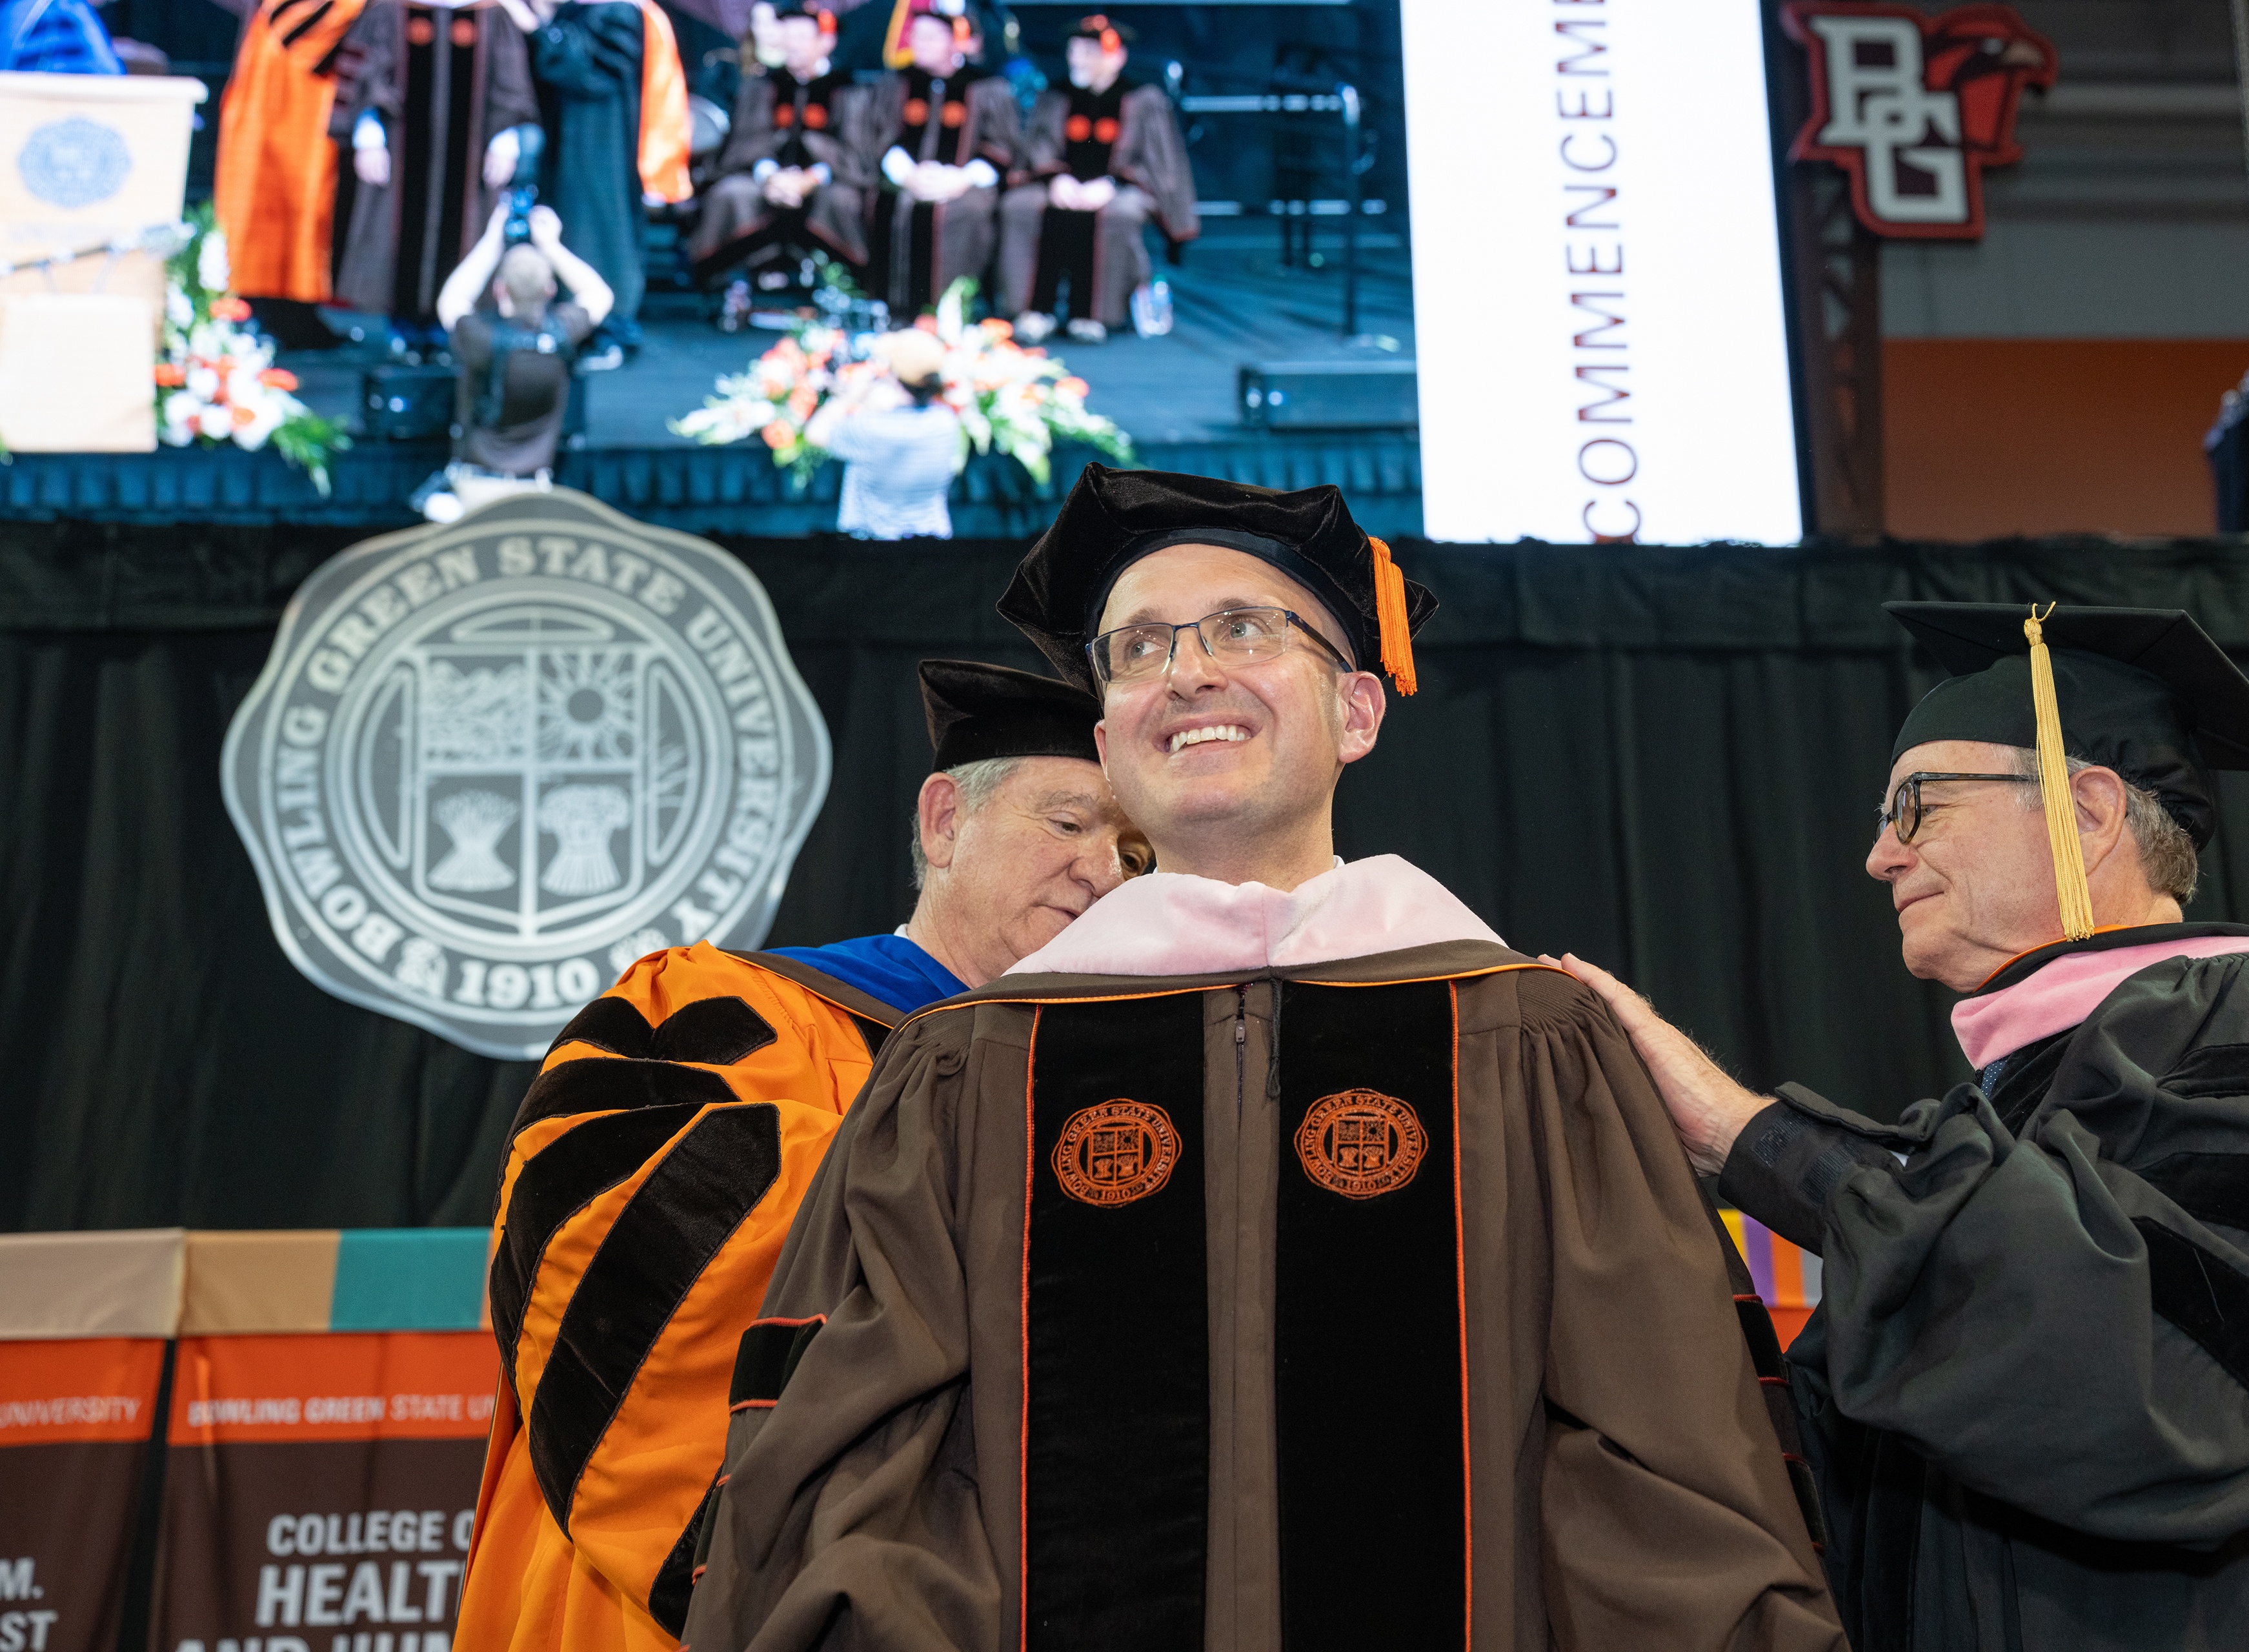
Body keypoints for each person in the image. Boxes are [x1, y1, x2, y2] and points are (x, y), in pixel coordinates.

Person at [683, 465, 1846, 1652]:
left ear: (1357, 712)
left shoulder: (1524, 1043)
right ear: (1107, 738)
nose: (1185, 671)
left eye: (1242, 629)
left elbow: (1664, 1472)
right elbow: (861, 1490)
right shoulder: (967, 1073)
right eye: (1136, 649)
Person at [1562, 601, 2249, 1651]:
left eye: (1916, 806)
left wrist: (1757, 1140)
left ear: (2085, 809)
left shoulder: (2246, 1016)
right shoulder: (2006, 1117)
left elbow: (2170, 1375)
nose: (1879, 857)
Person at [455, 659, 1149, 1652]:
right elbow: (612, 1249)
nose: (1104, 871)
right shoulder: (725, 1007)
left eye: (1136, 851)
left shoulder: (1102, 1099)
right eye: (1070, 823)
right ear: (946, 821)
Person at [331, 0, 536, 331]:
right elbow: (366, 75)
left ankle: (453, 329)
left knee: (467, 233)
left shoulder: (490, 12)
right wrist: (368, 137)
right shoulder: (389, 9)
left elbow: (510, 81)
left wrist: (505, 141)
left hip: (472, 162)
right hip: (399, 158)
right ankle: (402, 330)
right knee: (395, 237)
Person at [506, 0, 689, 365]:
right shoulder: (579, 10)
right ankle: (571, 327)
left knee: (600, 236)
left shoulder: (619, 12)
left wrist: (534, 24)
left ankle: (610, 331)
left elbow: (588, 72)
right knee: (565, 232)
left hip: (600, 147)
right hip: (566, 144)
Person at [1000, 14, 1196, 344]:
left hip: (1120, 189)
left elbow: (1159, 161)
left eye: (1089, 53)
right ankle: (1033, 311)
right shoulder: (1057, 95)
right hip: (1061, 185)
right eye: (1074, 51)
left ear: (1116, 57)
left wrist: (1112, 185)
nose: (1077, 60)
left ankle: (1093, 315)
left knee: (1119, 214)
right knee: (1019, 205)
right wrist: (1057, 179)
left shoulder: (1142, 99)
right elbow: (1038, 146)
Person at [423, 199, 610, 519]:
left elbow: (453, 299)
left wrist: (492, 239)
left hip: (473, 492)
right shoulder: (563, 335)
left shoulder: (479, 339)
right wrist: (551, 246)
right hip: (534, 496)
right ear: (550, 290)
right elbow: (599, 295)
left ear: (498, 290)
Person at [687, 0, 868, 306]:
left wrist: (810, 178)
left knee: (842, 201)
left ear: (826, 42)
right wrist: (770, 175)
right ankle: (733, 291)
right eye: (787, 38)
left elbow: (854, 152)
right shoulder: (763, 87)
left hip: (825, 182)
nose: (792, 46)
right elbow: (745, 143)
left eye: (801, 38)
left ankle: (841, 291)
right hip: (764, 179)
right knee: (731, 193)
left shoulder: (848, 89)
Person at [856, 0, 1016, 316]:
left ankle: (953, 307)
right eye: (916, 37)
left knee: (963, 211)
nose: (920, 45)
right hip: (906, 178)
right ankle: (892, 306)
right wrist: (907, 175)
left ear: (954, 41)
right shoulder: (897, 83)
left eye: (931, 38)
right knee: (888, 204)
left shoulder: (986, 87)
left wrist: (961, 178)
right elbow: (878, 136)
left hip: (965, 182)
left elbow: (1002, 144)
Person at [214, 0, 369, 305]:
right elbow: (293, 23)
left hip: (313, 80)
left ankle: (296, 304)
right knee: (279, 189)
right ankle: (273, 305)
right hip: (287, 80)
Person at [810, 325, 961, 539]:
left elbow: (815, 432)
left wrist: (851, 396)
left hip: (874, 546)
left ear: (893, 376)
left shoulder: (870, 428)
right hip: (931, 545)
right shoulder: (946, 423)